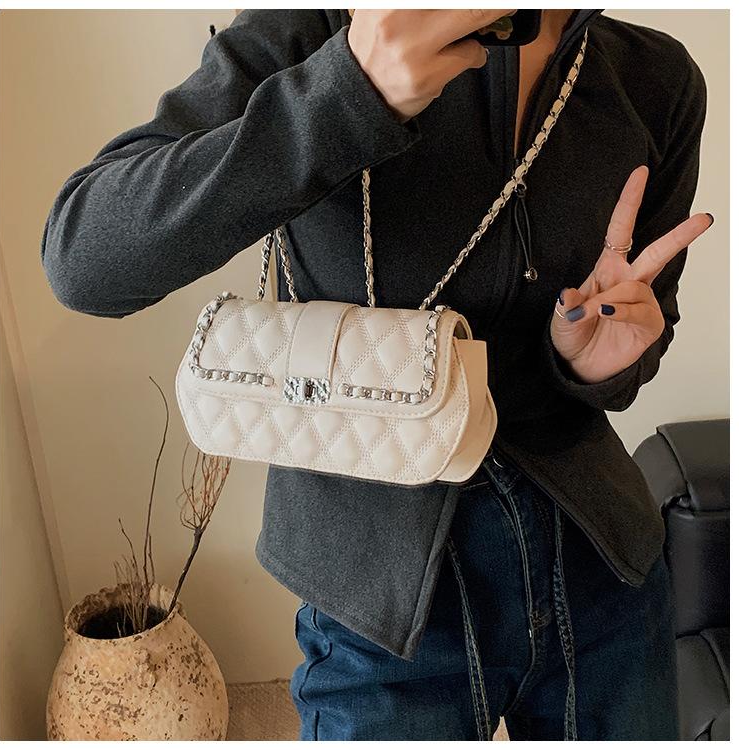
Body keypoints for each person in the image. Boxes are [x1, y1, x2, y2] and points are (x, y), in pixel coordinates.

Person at [40, 9, 713, 741]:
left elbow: (642, 335)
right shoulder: (317, 26)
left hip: (603, 571)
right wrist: (348, 94)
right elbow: (85, 258)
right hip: (377, 606)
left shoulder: (655, 78)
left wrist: (592, 362)